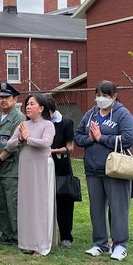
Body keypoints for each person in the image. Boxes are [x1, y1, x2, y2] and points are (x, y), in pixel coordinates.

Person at [73, 80, 133, 261]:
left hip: (115, 170)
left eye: (105, 95)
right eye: (98, 95)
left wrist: (102, 138)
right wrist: (90, 139)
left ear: (114, 96)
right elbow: (78, 136)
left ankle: (120, 244)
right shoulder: (90, 114)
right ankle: (100, 243)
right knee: (96, 208)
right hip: (93, 170)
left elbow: (128, 138)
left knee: (118, 208)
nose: (101, 99)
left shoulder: (122, 114)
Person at [5, 93, 57, 255]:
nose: (28, 107)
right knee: (26, 204)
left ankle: (41, 245)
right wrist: (20, 140)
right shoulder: (23, 124)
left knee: (40, 204)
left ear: (41, 108)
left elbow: (46, 143)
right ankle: (28, 242)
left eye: (32, 104)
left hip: (41, 167)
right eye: (27, 104)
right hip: (26, 167)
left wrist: (28, 138)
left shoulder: (48, 125)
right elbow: (9, 144)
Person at [0, 82, 25, 245]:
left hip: (11, 167)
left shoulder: (18, 118)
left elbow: (15, 143)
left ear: (15, 99)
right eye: (1, 97)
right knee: (1, 203)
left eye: (7, 97)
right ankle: (6, 233)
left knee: (12, 203)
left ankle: (16, 236)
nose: (3, 100)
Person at [46, 94, 76, 247]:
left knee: (64, 201)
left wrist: (54, 150)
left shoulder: (66, 122)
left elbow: (70, 147)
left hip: (61, 166)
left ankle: (66, 235)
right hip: (43, 166)